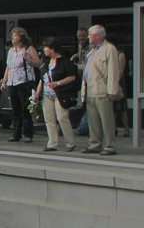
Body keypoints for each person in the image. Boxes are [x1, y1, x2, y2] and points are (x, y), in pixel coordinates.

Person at [80, 24, 121, 155]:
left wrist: (112, 91)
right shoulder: (92, 50)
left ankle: (110, 145)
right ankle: (95, 143)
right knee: (93, 119)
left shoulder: (109, 49)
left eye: (90, 34)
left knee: (106, 119)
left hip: (102, 89)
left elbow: (113, 71)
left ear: (98, 35)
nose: (88, 37)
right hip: (90, 89)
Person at [33, 38, 78, 152]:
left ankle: (70, 142)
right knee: (49, 119)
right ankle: (52, 143)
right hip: (46, 94)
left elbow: (72, 77)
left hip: (60, 93)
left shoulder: (64, 62)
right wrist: (38, 92)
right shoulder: (46, 62)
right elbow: (42, 79)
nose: (44, 50)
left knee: (62, 117)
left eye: (46, 48)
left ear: (52, 49)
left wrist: (58, 83)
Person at [0, 27, 42, 143]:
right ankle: (16, 133)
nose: (13, 38)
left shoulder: (28, 49)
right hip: (12, 82)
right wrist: (4, 81)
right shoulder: (11, 51)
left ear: (21, 37)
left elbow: (38, 63)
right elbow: (9, 67)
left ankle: (28, 133)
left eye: (15, 36)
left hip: (24, 82)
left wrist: (27, 58)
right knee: (15, 109)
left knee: (25, 108)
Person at [108, 35, 131, 137]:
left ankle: (126, 129)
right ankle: (113, 128)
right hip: (109, 82)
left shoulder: (120, 54)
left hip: (118, 82)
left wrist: (115, 82)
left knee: (122, 107)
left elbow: (121, 70)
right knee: (112, 108)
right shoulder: (108, 54)